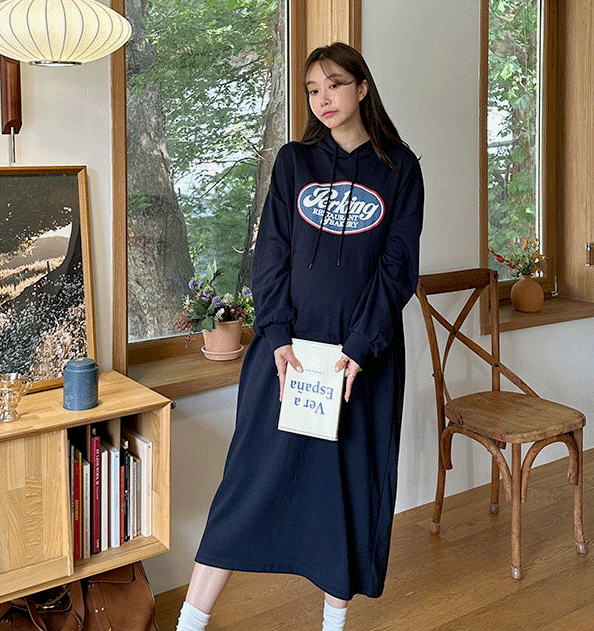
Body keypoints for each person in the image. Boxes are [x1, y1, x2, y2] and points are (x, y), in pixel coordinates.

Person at [176, 42, 424, 631]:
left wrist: (359, 348)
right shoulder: (294, 162)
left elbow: (397, 269)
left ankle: (333, 625)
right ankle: (189, 622)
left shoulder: (400, 169)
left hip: (360, 362)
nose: (323, 99)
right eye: (313, 90)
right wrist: (278, 335)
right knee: (246, 484)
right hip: (287, 357)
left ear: (362, 87)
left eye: (334, 85)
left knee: (347, 492)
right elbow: (271, 253)